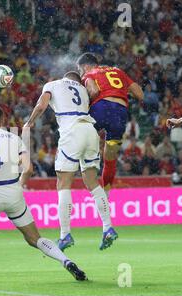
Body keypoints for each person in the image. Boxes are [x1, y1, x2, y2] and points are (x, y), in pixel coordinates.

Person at [0, 105, 87, 282]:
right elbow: (29, 168)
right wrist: (20, 184)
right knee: (34, 238)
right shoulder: (15, 139)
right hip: (13, 195)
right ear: (4, 120)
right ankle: (65, 260)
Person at [24, 72, 117, 251]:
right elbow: (95, 93)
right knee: (92, 183)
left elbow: (41, 104)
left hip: (71, 130)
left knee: (63, 183)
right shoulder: (82, 89)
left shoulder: (52, 84)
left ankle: (65, 234)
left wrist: (30, 122)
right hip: (90, 130)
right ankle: (108, 227)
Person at [76, 53, 144, 193]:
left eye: (80, 69)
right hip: (120, 113)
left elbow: (94, 92)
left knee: (79, 139)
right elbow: (140, 95)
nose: (80, 73)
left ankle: (88, 182)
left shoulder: (89, 74)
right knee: (110, 157)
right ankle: (106, 193)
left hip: (100, 109)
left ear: (85, 66)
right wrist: (121, 92)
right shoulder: (118, 71)